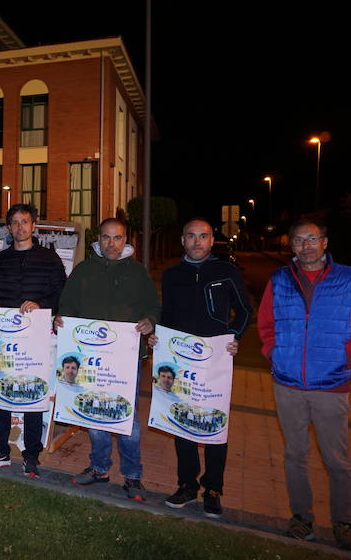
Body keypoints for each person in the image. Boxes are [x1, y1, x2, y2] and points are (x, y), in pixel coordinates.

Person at [258, 219, 351, 551]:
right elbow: (265, 322)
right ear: (291, 246)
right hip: (288, 383)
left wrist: (345, 360)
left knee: (337, 459)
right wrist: (275, 353)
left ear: (325, 242)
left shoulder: (350, 279)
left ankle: (344, 522)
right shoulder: (279, 279)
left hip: (331, 385)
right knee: (294, 454)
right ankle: (301, 518)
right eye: (299, 241)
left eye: (312, 239)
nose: (306, 246)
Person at [151, 218, 251, 519]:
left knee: (213, 424)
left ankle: (213, 488)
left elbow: (245, 310)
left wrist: (235, 337)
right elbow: (167, 313)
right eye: (191, 236)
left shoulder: (226, 271)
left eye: (203, 236)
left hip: (215, 362)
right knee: (182, 421)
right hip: (180, 358)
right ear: (182, 240)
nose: (197, 241)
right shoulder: (171, 275)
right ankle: (187, 484)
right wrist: (158, 337)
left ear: (211, 240)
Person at [56, 218, 159, 500]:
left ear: (126, 240)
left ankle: (133, 475)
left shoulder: (138, 273)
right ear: (97, 240)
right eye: (106, 238)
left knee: (126, 418)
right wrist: (61, 319)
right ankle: (99, 467)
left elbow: (153, 306)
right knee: (94, 413)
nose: (111, 244)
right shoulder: (83, 271)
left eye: (117, 238)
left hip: (125, 359)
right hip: (89, 357)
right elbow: (67, 305)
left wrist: (150, 321)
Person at [0, 203, 66, 478]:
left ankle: (32, 455)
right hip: (3, 336)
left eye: (24, 222)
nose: (20, 227)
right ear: (8, 228)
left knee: (33, 392)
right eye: (14, 222)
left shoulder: (50, 260)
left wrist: (41, 304)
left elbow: (61, 293)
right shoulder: (0, 260)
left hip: (36, 337)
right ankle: (1, 450)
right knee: (1, 388)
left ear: (34, 225)